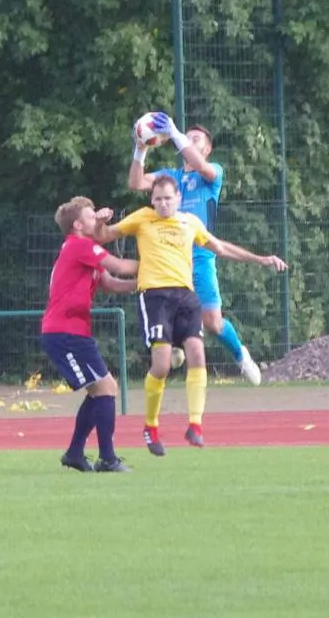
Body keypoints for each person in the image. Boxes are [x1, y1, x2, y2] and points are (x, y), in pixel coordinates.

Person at [102, 174, 288, 456]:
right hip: (155, 296)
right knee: (162, 365)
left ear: (178, 198)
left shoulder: (190, 222)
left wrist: (260, 259)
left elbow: (220, 248)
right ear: (152, 200)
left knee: (198, 355)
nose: (163, 203)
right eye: (158, 199)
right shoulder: (142, 218)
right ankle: (151, 426)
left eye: (168, 198)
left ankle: (195, 425)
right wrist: (99, 222)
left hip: (186, 295)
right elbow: (104, 235)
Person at [130, 113, 262, 384]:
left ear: (207, 148)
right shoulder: (170, 177)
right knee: (169, 312)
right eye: (186, 137)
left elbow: (202, 167)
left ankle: (241, 354)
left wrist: (175, 134)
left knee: (213, 321)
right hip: (171, 257)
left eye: (195, 139)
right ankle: (177, 344)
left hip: (201, 256)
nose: (189, 140)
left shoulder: (213, 173)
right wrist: (140, 150)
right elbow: (136, 183)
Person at [41, 197, 139, 472]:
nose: (96, 217)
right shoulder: (79, 246)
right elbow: (120, 267)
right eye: (90, 215)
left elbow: (112, 283)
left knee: (100, 391)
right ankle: (107, 459)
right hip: (64, 332)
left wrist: (145, 282)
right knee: (106, 388)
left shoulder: (85, 248)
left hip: (73, 332)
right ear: (77, 224)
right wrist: (161, 264)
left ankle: (75, 453)